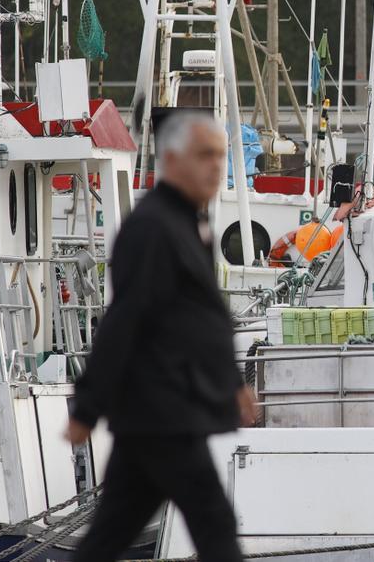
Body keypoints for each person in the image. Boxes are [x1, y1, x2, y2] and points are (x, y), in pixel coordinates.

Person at [66, 111, 257, 562]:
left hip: (159, 413)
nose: (217, 167)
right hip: (163, 410)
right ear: (172, 161)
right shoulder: (152, 228)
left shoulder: (188, 223)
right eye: (205, 155)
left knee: (111, 534)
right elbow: (125, 317)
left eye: (221, 156)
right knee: (214, 525)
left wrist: (232, 383)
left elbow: (202, 316)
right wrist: (88, 406)